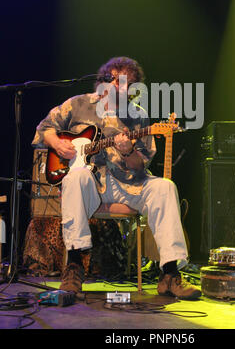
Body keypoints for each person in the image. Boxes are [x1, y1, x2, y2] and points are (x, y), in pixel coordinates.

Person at [32, 56, 201, 300]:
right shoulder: (77, 104)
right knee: (75, 178)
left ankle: (170, 273)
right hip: (90, 183)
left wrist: (128, 151)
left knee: (165, 187)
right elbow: (44, 128)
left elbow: (141, 165)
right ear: (102, 80)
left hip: (126, 184)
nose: (117, 86)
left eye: (125, 83)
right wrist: (58, 144)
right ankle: (75, 266)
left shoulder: (138, 117)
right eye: (113, 79)